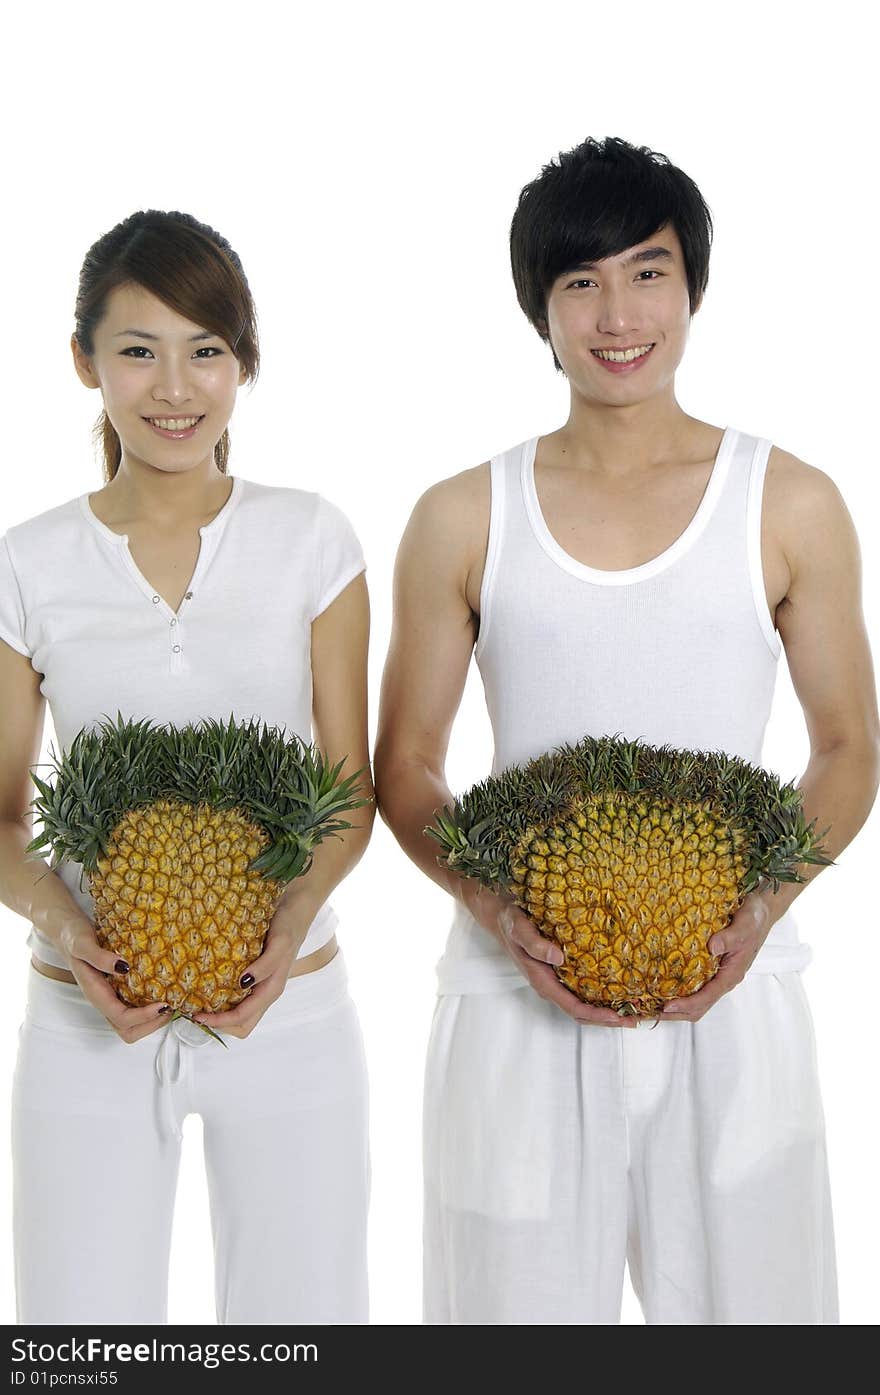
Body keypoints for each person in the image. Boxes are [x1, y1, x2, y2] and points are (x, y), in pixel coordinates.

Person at [374, 136, 880, 1324]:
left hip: (735, 992)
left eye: (647, 273)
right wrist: (500, 914)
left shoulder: (789, 499)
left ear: (691, 288)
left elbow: (848, 747)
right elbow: (405, 766)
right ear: (539, 312)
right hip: (514, 999)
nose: (618, 314)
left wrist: (762, 909)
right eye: (580, 283)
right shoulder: (460, 514)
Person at [0, 210, 373, 1324]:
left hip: (291, 1011)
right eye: (137, 349)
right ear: (84, 362)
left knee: (305, 1335)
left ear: (244, 365)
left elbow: (345, 795)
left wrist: (288, 924)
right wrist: (74, 935)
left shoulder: (314, 539)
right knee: (81, 1339)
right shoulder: (29, 563)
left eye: (206, 348)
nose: (175, 387)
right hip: (85, 1018)